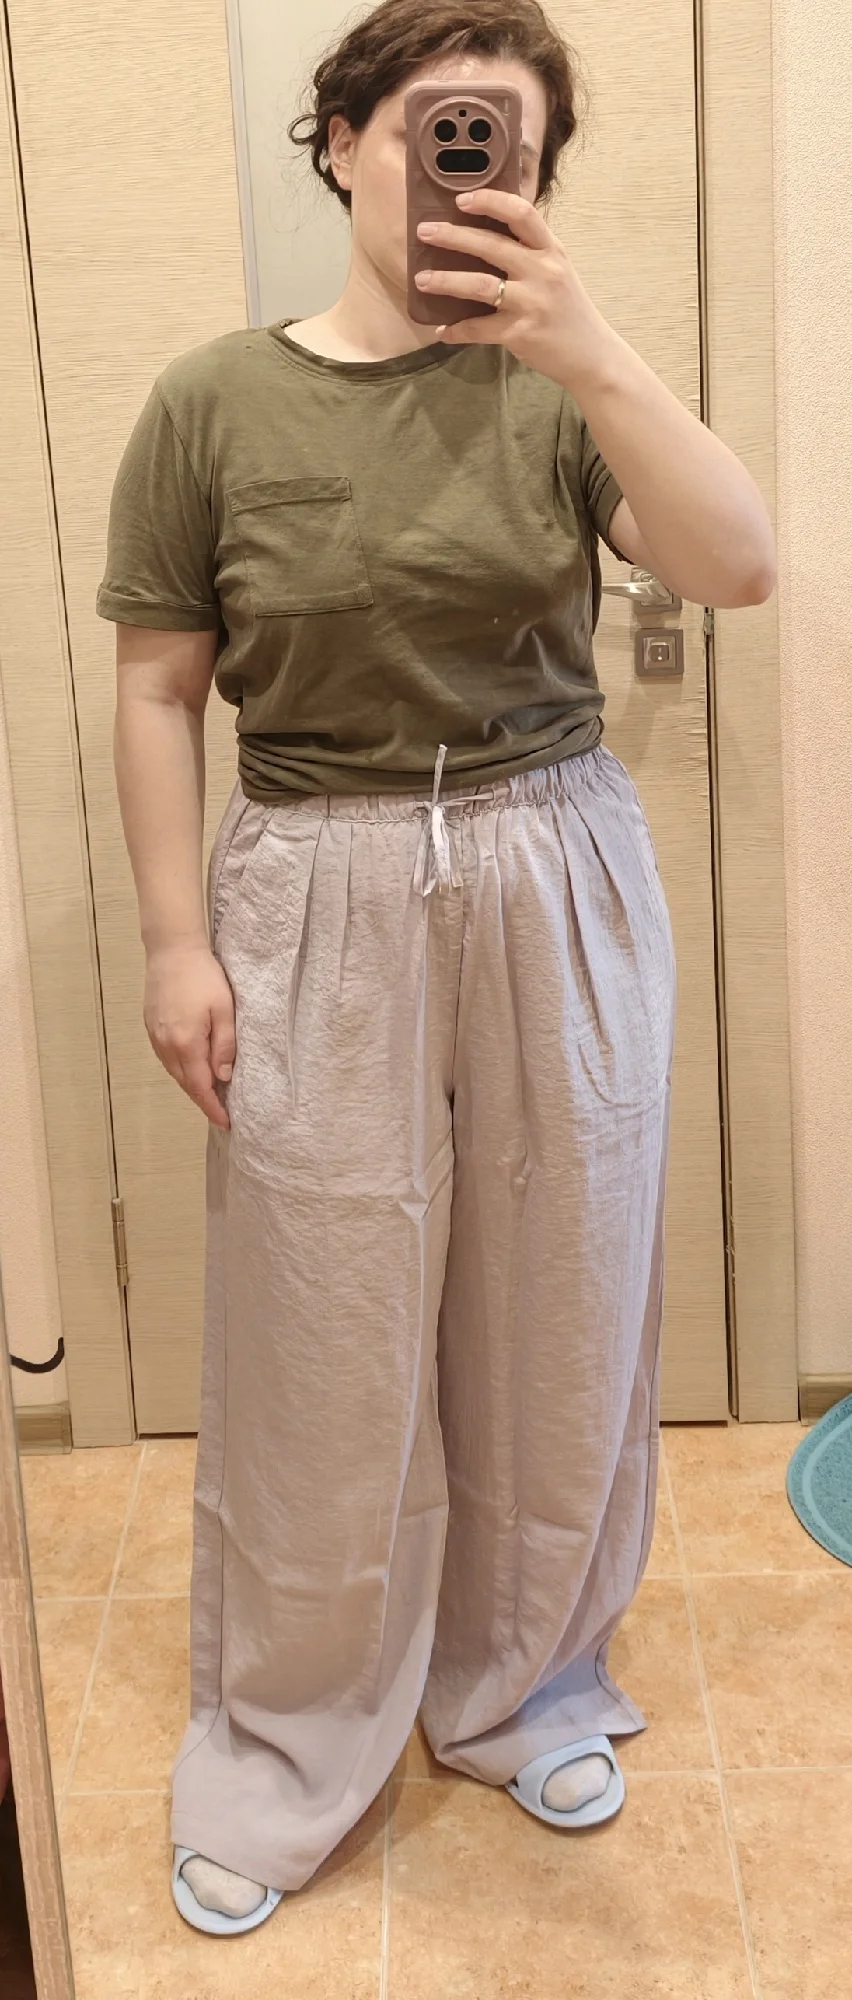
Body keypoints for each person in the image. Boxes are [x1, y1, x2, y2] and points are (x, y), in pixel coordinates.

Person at [98, 0, 775, 1939]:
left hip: (554, 860)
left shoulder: (561, 390)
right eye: (432, 129)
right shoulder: (212, 403)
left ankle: (523, 1683)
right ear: (339, 143)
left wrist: (593, 345)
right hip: (312, 881)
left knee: (564, 1301)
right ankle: (286, 1733)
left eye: (509, 146)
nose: (468, 172)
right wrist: (174, 939)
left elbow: (735, 567)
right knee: (321, 1327)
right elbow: (155, 688)